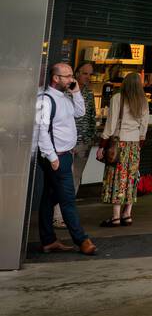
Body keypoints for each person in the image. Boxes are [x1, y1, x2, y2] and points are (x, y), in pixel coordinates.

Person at [35, 62, 97, 255]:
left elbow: (80, 112)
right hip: (57, 157)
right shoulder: (45, 100)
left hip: (65, 155)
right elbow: (41, 131)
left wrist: (76, 92)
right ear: (56, 78)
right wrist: (53, 158)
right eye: (68, 76)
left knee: (49, 198)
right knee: (68, 199)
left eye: (72, 76)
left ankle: (48, 241)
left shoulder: (65, 97)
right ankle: (82, 240)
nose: (72, 79)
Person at [99, 71, 149, 227]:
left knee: (117, 178)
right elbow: (144, 126)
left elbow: (111, 124)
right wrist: (139, 141)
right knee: (131, 178)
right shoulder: (143, 101)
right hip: (134, 145)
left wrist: (102, 145)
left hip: (119, 144)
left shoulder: (117, 99)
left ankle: (115, 216)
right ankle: (127, 214)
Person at [54, 59, 97, 230]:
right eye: (85, 73)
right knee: (64, 180)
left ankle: (67, 214)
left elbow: (91, 116)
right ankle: (57, 216)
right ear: (76, 74)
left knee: (76, 179)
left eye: (90, 74)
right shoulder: (65, 92)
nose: (88, 77)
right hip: (67, 143)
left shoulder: (89, 93)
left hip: (84, 143)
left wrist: (91, 137)